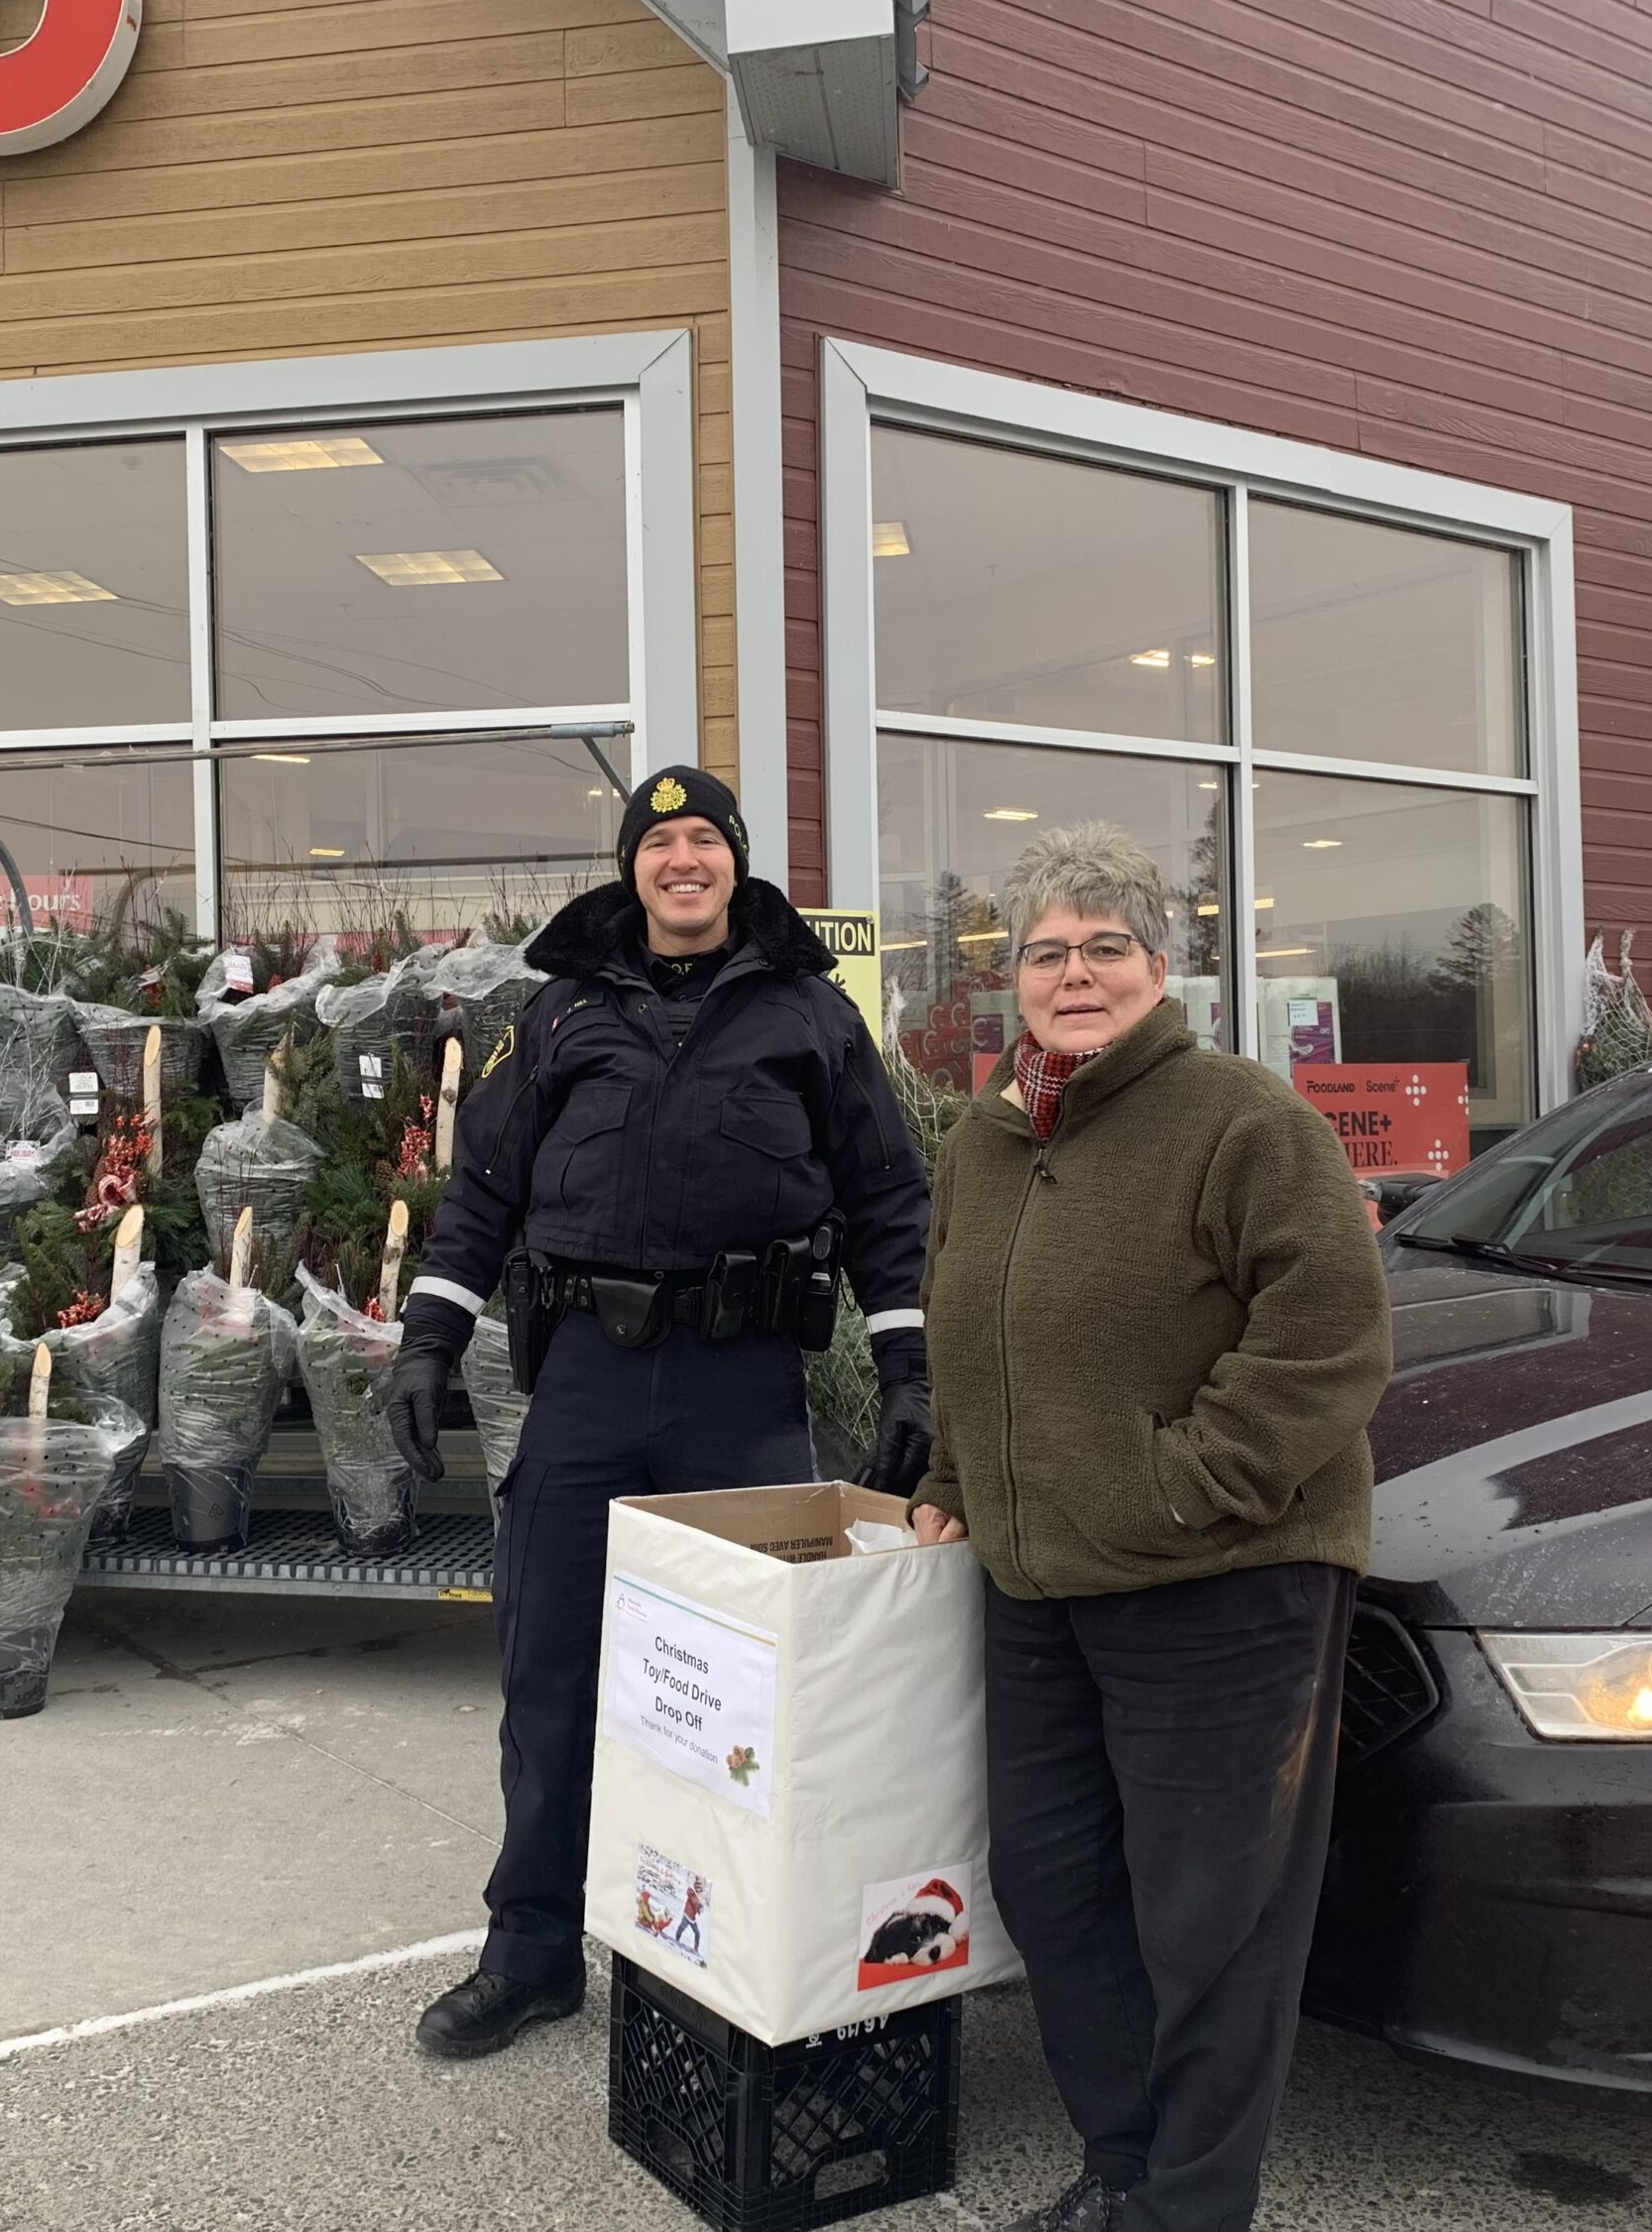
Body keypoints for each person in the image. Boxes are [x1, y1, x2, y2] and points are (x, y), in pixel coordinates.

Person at [385, 763, 934, 2058]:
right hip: (583, 1379)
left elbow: (891, 1205)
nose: (682, 860)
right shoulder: (562, 1016)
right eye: (659, 841)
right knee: (551, 1666)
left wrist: (913, 1368)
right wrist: (427, 1340)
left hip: (740, 1388)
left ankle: (726, 1956)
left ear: (734, 863)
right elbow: (482, 1194)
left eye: (704, 840)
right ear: (631, 867)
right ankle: (530, 1947)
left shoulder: (810, 1016)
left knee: (747, 1694)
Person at [907, 822, 1392, 2232]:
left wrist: (1183, 1480)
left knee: (1212, 1922)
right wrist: (951, 1475)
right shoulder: (989, 1140)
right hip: (1039, 1577)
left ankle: (1190, 2204)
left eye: (1105, 946)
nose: (1074, 972)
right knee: (1051, 1884)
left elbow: (1329, 1336)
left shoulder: (1246, 1121)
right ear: (1016, 978)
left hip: (1219, 1578)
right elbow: (967, 1334)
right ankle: (1120, 2161)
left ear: (1158, 964)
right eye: (1047, 951)